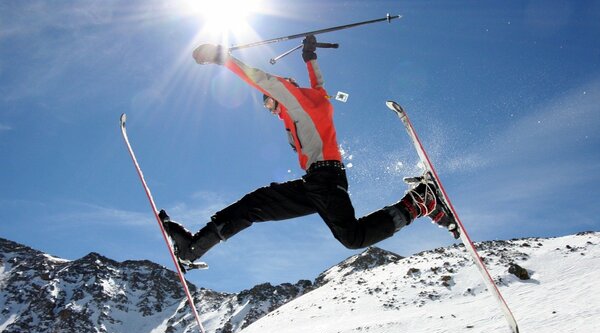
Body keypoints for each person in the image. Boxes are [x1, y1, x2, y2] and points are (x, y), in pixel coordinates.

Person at [159, 35, 457, 271]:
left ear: (283, 91)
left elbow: (260, 79)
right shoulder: (315, 100)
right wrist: (310, 56)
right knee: (253, 205)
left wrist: (220, 57)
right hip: (315, 183)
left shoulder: (295, 100)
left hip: (325, 179)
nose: (270, 109)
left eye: (269, 103)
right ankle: (193, 247)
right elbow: (320, 84)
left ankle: (420, 201)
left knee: (352, 238)